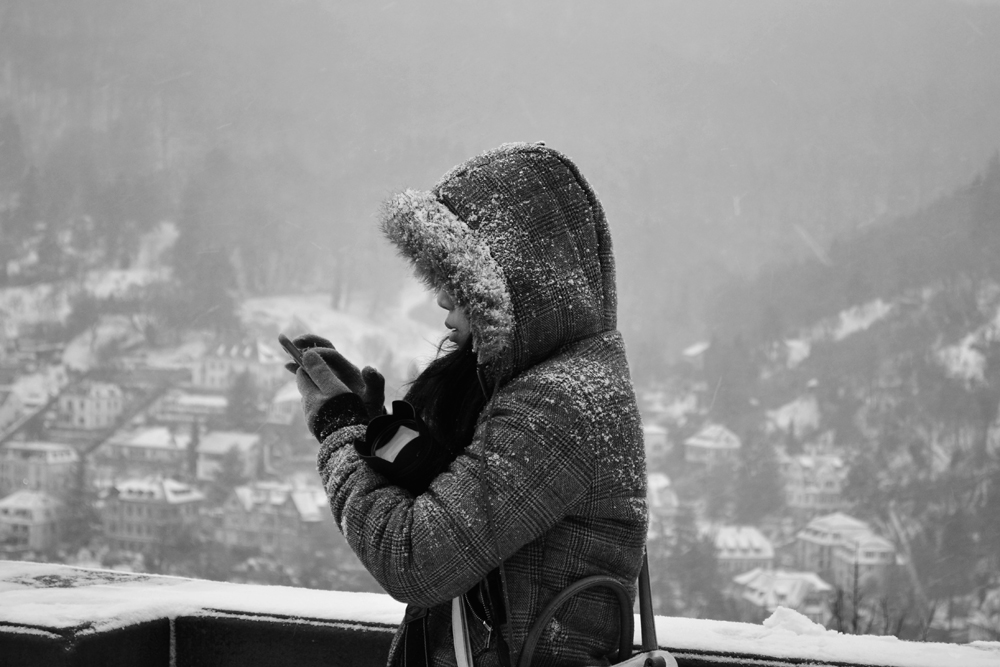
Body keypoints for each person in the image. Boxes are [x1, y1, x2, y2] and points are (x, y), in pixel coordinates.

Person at [289, 142, 647, 667]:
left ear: (512, 283)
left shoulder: (558, 408)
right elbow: (455, 502)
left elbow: (415, 559)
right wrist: (371, 428)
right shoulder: (556, 383)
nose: (441, 298)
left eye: (457, 280)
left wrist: (339, 431)